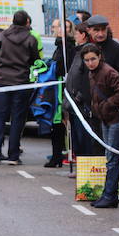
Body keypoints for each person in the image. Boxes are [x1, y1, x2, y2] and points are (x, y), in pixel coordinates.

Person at [0, 10, 40, 166]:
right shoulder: (30, 39)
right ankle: (13, 155)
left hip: (3, 80)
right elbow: (35, 60)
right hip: (21, 81)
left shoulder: (3, 36)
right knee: (18, 118)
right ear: (26, 23)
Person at [82, 43, 119, 208]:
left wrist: (107, 104)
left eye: (93, 59)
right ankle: (108, 194)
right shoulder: (92, 73)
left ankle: (110, 195)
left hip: (115, 119)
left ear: (99, 57)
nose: (90, 63)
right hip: (104, 119)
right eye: (87, 60)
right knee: (109, 158)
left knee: (112, 159)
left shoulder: (108, 72)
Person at [64, 23, 98, 159]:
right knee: (77, 138)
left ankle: (87, 167)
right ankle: (81, 166)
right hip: (73, 102)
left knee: (83, 137)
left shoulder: (86, 53)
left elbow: (85, 78)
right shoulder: (77, 52)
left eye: (76, 33)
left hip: (81, 103)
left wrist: (78, 97)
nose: (74, 36)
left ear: (83, 35)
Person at [47, 19, 75, 167]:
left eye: (65, 27)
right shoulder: (59, 46)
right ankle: (57, 154)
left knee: (61, 123)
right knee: (57, 124)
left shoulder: (68, 46)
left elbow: (62, 69)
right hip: (57, 88)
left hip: (62, 90)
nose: (59, 30)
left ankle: (61, 155)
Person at [84, 15, 119, 91]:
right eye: (96, 30)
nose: (100, 34)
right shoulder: (85, 48)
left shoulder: (118, 49)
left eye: (103, 30)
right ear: (88, 30)